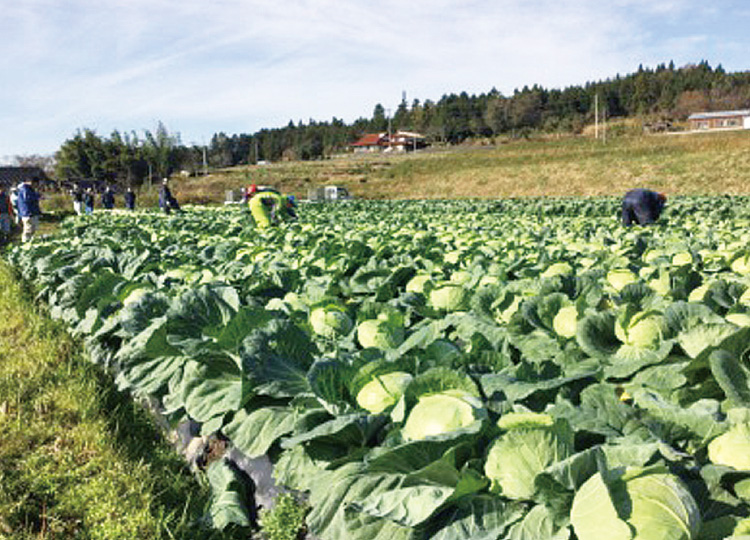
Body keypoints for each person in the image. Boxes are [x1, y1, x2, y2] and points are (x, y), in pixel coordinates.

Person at [16, 176, 42, 243]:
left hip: (29, 212)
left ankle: (29, 243)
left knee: (32, 229)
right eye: (36, 184)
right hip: (28, 213)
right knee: (28, 230)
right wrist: (37, 197)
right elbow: (28, 199)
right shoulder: (25, 189)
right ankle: (25, 244)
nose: (37, 186)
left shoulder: (27, 189)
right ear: (32, 182)